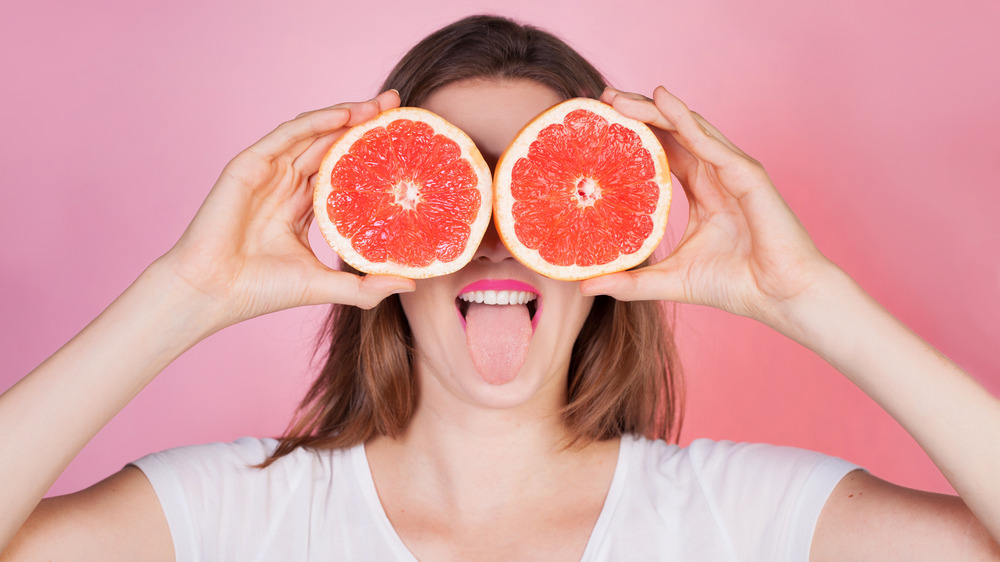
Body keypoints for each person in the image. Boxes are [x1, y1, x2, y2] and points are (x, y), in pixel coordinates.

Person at [1, 14, 998, 561]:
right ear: (372, 239)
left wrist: (806, 293)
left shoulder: (738, 516)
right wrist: (186, 291)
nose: (495, 237)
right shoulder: (233, 513)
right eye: (452, 184)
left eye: (539, 189)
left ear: (613, 237)